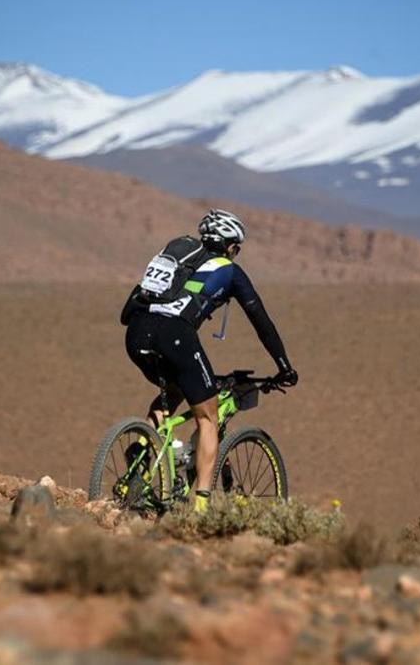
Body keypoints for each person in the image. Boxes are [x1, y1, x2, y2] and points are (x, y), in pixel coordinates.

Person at [120, 208, 297, 513]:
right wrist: (284, 366)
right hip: (175, 335)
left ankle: (141, 455)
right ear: (231, 246)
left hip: (136, 333)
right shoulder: (230, 270)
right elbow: (261, 322)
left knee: (172, 393)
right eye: (237, 249)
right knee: (207, 417)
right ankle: (201, 506)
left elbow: (133, 304)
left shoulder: (176, 249)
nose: (236, 254)